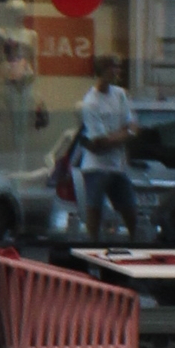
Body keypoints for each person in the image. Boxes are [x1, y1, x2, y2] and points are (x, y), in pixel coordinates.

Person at [74, 67, 142, 240]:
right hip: (95, 166)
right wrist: (124, 134)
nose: (116, 72)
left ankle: (135, 244)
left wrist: (118, 136)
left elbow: (133, 126)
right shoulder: (91, 102)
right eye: (111, 68)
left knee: (130, 209)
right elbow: (100, 141)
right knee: (94, 209)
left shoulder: (119, 94)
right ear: (100, 73)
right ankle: (92, 247)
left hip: (117, 166)